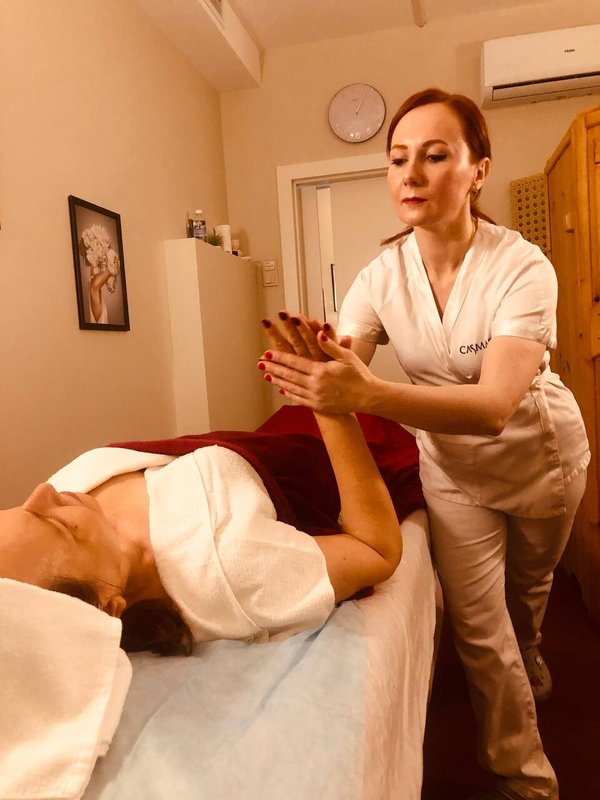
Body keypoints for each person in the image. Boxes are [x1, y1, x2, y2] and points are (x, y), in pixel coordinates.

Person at [257, 88, 590, 800]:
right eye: (398, 158)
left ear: (478, 171)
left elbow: (495, 407)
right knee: (479, 629)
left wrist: (365, 393)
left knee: (527, 595)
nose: (410, 174)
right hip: (452, 472)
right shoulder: (380, 278)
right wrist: (318, 367)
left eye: (435, 156)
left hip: (539, 457)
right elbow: (345, 363)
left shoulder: (522, 266)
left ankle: (532, 646)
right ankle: (524, 777)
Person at [0, 383, 414, 655]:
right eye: (61, 526)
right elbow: (375, 551)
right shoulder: (225, 567)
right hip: (350, 450)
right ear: (108, 607)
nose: (45, 491)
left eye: (21, 506)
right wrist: (333, 409)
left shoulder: (70, 493)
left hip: (283, 430)